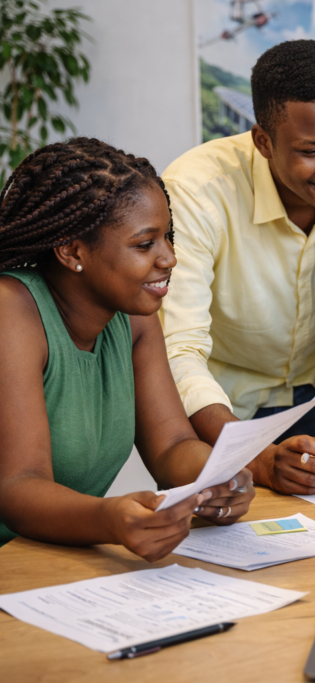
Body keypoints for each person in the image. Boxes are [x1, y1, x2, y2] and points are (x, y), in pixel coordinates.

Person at [161, 40, 315, 496]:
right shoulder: (195, 191)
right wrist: (252, 455)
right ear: (263, 142)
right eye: (313, 150)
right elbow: (178, 350)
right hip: (218, 406)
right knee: (223, 532)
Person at [0, 139, 254, 559]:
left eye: (168, 237)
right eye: (144, 244)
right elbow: (17, 486)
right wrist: (110, 519)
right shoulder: (11, 311)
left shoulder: (134, 316)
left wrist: (217, 478)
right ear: (72, 250)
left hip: (54, 560)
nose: (169, 258)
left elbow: (172, 446)